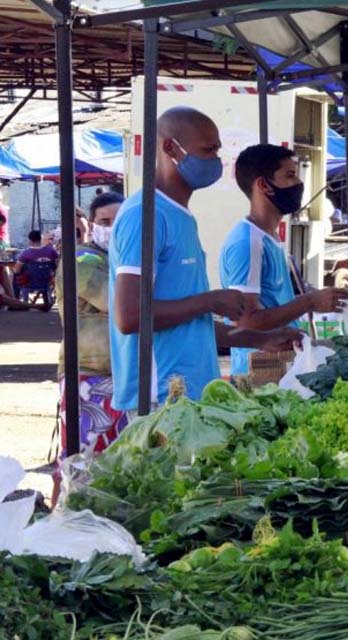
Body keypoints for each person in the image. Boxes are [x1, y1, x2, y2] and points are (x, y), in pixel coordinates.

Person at [109, 106, 301, 413]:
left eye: (217, 151)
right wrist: (210, 301)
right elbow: (130, 316)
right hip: (161, 396)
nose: (215, 162)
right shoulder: (145, 215)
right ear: (171, 148)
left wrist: (258, 339)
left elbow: (188, 326)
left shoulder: (182, 217)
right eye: (207, 151)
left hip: (191, 392)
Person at [220, 143, 348, 377]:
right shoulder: (248, 242)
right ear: (264, 185)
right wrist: (309, 302)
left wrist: (313, 298)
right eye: (290, 175)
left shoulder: (268, 237)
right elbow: (247, 322)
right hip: (259, 372)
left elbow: (272, 301)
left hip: (281, 365)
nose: (298, 184)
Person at [51, 191, 127, 506]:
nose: (111, 228)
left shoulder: (121, 261)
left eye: (119, 222)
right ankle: (58, 523)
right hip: (89, 375)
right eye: (104, 221)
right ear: (92, 225)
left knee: (114, 464)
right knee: (78, 463)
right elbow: (119, 302)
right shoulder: (83, 260)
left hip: (121, 376)